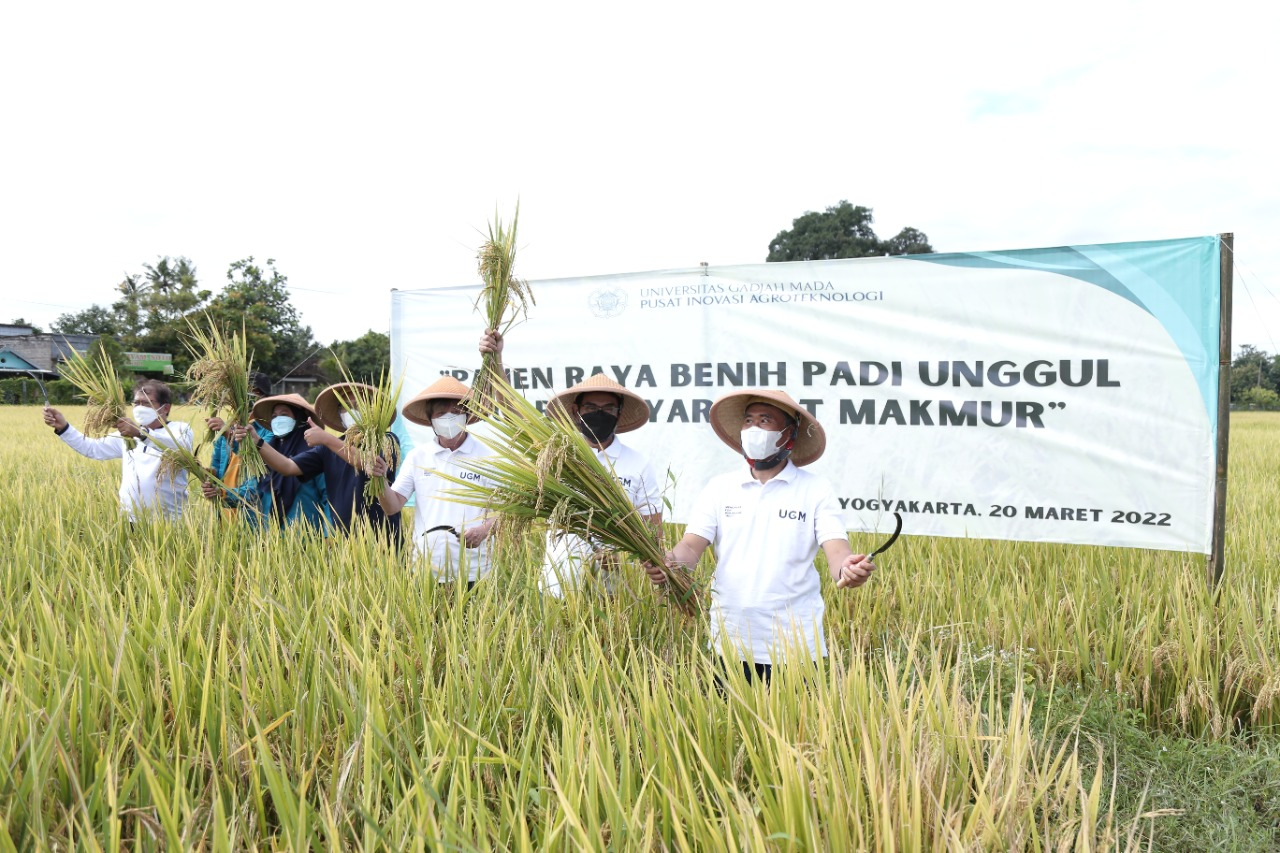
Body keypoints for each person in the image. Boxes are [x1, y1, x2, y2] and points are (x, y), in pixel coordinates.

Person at [645, 389, 874, 685]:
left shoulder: (815, 490)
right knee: (727, 727)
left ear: (788, 434)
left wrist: (850, 569)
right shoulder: (720, 488)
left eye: (765, 421)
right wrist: (668, 564)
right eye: (748, 421)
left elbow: (837, 553)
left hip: (795, 644)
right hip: (729, 638)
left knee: (795, 730)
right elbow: (691, 546)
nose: (754, 429)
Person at [481, 329, 663, 597]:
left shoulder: (638, 465)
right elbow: (511, 412)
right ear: (576, 412)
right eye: (591, 408)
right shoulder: (558, 455)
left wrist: (623, 556)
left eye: (607, 409)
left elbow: (653, 534)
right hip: (558, 587)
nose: (599, 414)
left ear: (618, 413)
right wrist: (495, 358)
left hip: (614, 593)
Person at [369, 376, 499, 587]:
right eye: (441, 413)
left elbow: (504, 512)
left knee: (478, 621)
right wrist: (380, 480)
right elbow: (392, 506)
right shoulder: (418, 457)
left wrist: (483, 530)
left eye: (456, 412)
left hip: (475, 570)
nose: (450, 418)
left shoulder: (487, 457)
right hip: (427, 567)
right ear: (431, 420)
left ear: (467, 416)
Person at [251, 382, 401, 543]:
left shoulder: (385, 440)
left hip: (383, 540)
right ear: (339, 414)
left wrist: (326, 438)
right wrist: (257, 441)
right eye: (346, 407)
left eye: (358, 405)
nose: (352, 411)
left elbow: (367, 462)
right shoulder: (328, 449)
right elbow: (288, 467)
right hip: (343, 541)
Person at [42, 378, 194, 521]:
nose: (140, 408)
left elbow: (179, 449)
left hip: (170, 519)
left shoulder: (180, 429)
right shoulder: (127, 435)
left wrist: (141, 434)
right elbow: (93, 448)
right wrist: (63, 428)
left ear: (165, 407)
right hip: (131, 517)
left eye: (147, 403)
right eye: (136, 403)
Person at [209, 393, 331, 528]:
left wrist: (329, 534)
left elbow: (329, 497)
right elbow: (252, 492)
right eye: (274, 416)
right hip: (272, 538)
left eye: (284, 414)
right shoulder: (269, 452)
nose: (278, 419)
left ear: (299, 417)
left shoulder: (315, 452)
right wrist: (222, 493)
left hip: (308, 537)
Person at [200, 371, 273, 522]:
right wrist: (202, 471)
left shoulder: (270, 429)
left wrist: (228, 435)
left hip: (252, 512)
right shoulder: (227, 427)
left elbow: (259, 461)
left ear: (258, 395)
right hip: (225, 509)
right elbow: (217, 468)